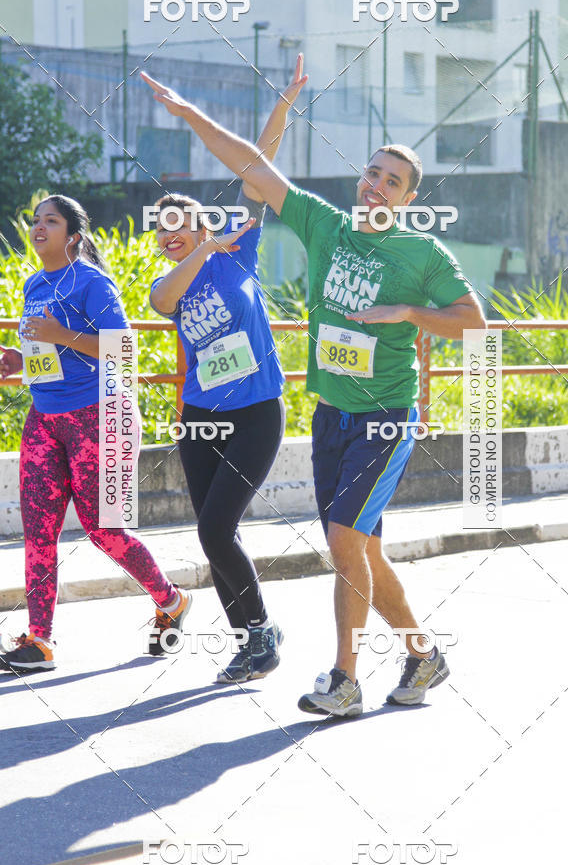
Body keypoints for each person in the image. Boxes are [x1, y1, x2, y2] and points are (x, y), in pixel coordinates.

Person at [141, 65, 486, 717]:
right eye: (372, 173)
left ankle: (344, 680)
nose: (376, 185)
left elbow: (475, 323)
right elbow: (252, 167)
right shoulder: (325, 226)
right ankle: (422, 654)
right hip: (331, 417)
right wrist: (189, 115)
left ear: (408, 197)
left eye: (392, 181)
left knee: (343, 541)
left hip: (384, 418)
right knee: (363, 548)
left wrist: (409, 313)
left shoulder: (422, 254)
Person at [148, 55, 308, 684]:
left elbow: (257, 165)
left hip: (256, 413)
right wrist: (199, 249)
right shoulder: (174, 280)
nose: (169, 235)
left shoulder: (239, 251)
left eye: (179, 225)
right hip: (200, 416)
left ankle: (259, 634)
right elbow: (163, 300)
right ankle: (252, 640)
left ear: (200, 222)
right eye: (162, 232)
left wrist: (284, 105)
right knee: (212, 534)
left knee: (218, 528)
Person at [0, 195, 191, 673]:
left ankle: (170, 600)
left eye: (51, 221)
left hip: (100, 416)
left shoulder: (92, 283)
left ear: (74, 236)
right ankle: (39, 641)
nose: (39, 227)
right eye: (37, 220)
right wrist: (20, 358)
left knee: (104, 531)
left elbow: (121, 349)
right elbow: (48, 352)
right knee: (38, 531)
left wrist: (60, 335)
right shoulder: (33, 284)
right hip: (45, 417)